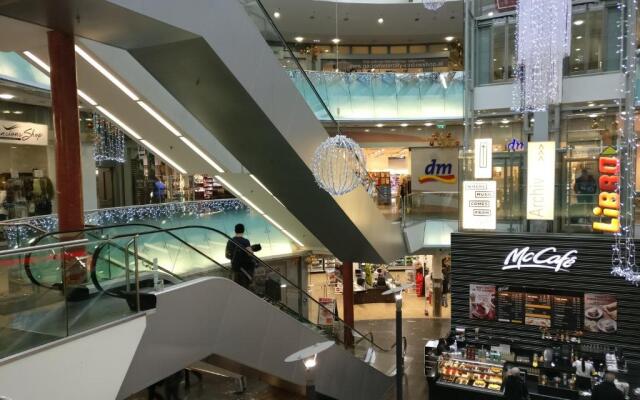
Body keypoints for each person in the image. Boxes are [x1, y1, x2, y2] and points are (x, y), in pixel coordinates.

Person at [225, 223, 254, 289]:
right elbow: (250, 254)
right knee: (245, 288)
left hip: (235, 269)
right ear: (243, 230)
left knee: (236, 288)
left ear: (235, 231)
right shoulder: (246, 241)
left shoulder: (230, 241)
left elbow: (227, 255)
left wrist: (235, 258)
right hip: (245, 270)